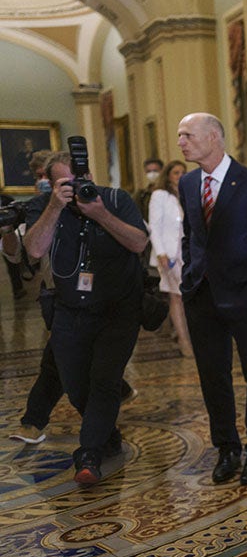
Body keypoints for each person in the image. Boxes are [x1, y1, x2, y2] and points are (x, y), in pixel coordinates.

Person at [22, 152, 149, 484]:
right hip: (69, 311)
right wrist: (54, 206)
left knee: (105, 381)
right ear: (52, 184)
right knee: (77, 386)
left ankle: (88, 454)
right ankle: (106, 436)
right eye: (66, 182)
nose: (76, 187)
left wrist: (101, 214)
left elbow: (138, 243)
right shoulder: (44, 206)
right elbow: (34, 250)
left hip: (118, 310)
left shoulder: (115, 199)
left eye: (80, 178)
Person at [178, 113, 247, 485]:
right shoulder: (188, 182)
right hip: (201, 295)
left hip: (246, 296)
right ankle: (227, 448)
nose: (181, 142)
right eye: (180, 136)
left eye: (188, 135)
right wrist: (188, 277)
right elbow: (191, 235)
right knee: (213, 377)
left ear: (213, 137)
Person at [148, 159, 193, 357]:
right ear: (168, 175)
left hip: (188, 253)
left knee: (187, 296)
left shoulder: (188, 194)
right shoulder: (160, 195)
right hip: (168, 253)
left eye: (183, 172)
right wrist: (161, 253)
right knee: (177, 295)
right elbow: (154, 226)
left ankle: (185, 335)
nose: (180, 176)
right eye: (176, 172)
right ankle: (184, 341)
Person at [135, 157, 164, 222]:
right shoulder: (142, 195)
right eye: (149, 171)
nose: (152, 174)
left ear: (162, 171)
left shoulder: (168, 191)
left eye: (155, 171)